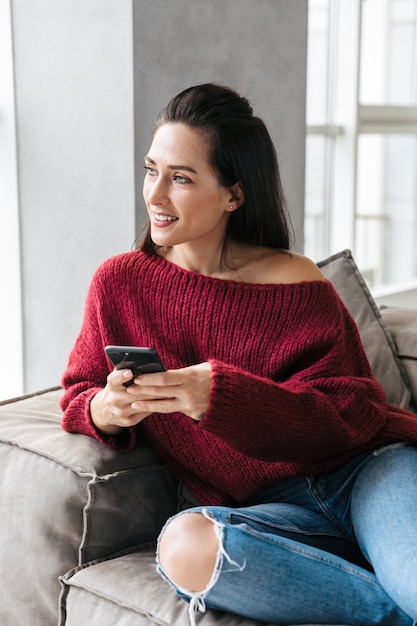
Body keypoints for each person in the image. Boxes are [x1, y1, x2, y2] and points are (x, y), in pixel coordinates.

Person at [61, 83, 417, 626]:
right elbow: (78, 392)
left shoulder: (293, 278)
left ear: (234, 194)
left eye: (181, 178)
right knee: (185, 548)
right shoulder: (120, 283)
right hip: (269, 514)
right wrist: (105, 411)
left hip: (368, 474)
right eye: (151, 170)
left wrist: (219, 396)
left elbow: (351, 413)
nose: (155, 195)